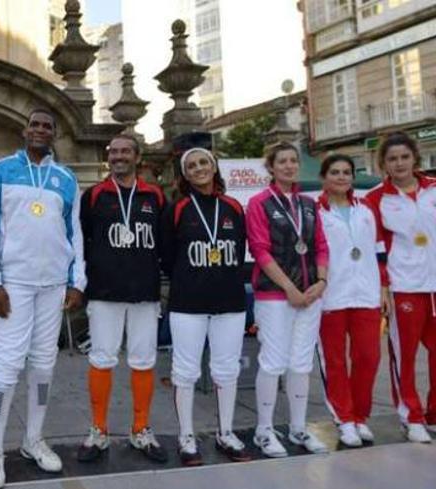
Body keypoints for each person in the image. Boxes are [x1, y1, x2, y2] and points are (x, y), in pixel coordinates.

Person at [0, 109, 85, 489]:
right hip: (14, 285)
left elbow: (76, 234)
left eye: (47, 126)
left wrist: (77, 281)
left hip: (54, 285)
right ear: (25, 131)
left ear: (54, 135)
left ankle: (32, 439)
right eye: (35, 124)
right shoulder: (1, 170)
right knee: (6, 367)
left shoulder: (66, 178)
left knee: (43, 365)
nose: (40, 130)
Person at [75, 135, 167, 464]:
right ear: (107, 157)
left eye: (125, 151)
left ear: (137, 156)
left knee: (143, 360)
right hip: (104, 292)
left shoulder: (154, 195)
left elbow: (165, 243)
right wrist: (79, 282)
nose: (118, 156)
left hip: (144, 292)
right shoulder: (94, 196)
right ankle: (98, 430)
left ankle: (140, 428)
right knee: (101, 358)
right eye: (113, 152)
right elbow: (80, 241)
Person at [160, 148, 251, 465]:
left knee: (227, 369)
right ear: (184, 174)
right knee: (185, 371)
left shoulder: (234, 207)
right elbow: (168, 257)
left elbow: (239, 252)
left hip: (229, 300)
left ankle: (226, 432)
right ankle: (187, 438)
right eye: (191, 165)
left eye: (204, 163)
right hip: (188, 302)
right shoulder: (177, 209)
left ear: (214, 167)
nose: (199, 168)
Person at [246, 141, 329, 458]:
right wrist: (289, 289)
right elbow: (260, 249)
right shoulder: (259, 203)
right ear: (271, 166)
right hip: (274, 295)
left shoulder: (308, 204)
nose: (290, 166)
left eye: (294, 161)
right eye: (282, 161)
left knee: (301, 363)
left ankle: (298, 427)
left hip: (310, 295)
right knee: (273, 362)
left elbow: (320, 245)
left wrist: (321, 282)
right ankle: (264, 431)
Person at [365, 132, 436, 443]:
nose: (399, 163)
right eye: (392, 159)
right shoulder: (376, 198)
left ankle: (434, 413)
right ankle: (412, 415)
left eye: (404, 157)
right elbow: (375, 248)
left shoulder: (434, 189)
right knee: (404, 356)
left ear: (414, 158)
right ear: (384, 163)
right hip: (404, 286)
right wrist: (383, 285)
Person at [315, 154, 384, 448]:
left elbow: (379, 250)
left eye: (346, 172)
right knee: (335, 362)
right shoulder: (316, 210)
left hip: (366, 295)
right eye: (335, 172)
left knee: (368, 357)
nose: (342, 177)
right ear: (324, 178)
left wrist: (384, 288)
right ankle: (344, 419)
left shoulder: (366, 209)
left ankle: (360, 417)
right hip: (331, 297)